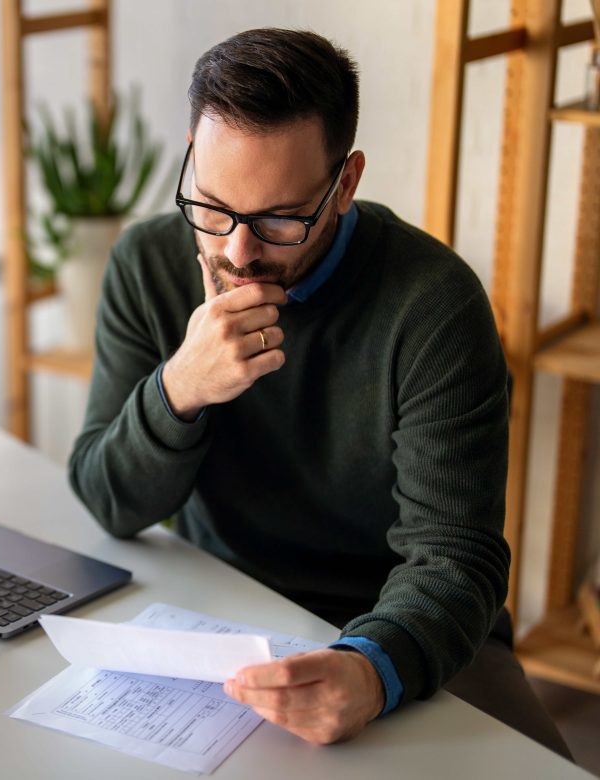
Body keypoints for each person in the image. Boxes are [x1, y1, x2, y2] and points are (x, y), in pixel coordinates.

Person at [67, 27, 572, 757]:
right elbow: (108, 501)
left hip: (411, 631)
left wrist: (370, 670)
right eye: (212, 206)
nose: (237, 252)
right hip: (226, 618)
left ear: (345, 183)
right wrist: (183, 386)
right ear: (191, 154)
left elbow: (457, 561)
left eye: (278, 218)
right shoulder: (146, 264)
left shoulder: (433, 306)